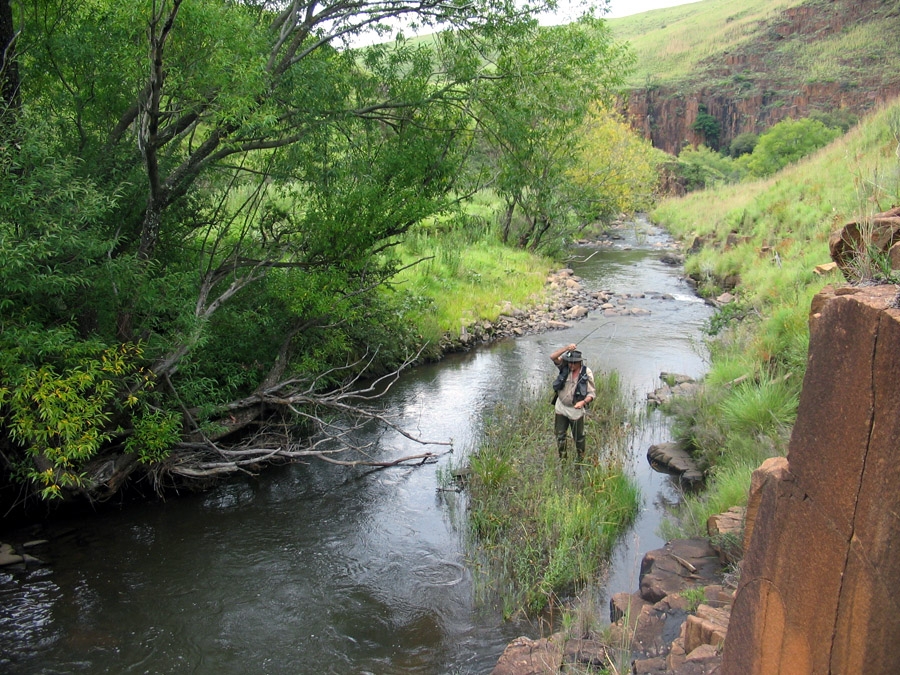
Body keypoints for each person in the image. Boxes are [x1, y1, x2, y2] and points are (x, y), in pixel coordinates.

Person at [550, 342, 596, 460]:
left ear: (579, 362)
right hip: (560, 407)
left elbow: (591, 394)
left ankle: (580, 459)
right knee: (560, 435)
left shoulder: (586, 372)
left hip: (575, 410)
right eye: (569, 362)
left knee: (579, 437)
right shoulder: (564, 366)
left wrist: (583, 402)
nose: (571, 365)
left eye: (573, 363)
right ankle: (563, 459)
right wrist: (566, 348)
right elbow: (553, 357)